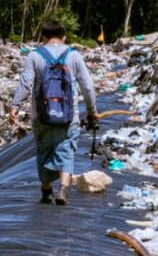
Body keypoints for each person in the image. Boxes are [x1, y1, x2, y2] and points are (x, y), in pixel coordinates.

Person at [10, 20, 97, 205]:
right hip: (68, 116)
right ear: (64, 37)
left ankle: (46, 190)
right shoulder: (74, 56)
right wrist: (91, 110)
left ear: (43, 37)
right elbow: (87, 86)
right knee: (65, 151)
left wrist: (15, 105)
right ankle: (63, 189)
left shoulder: (35, 56)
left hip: (41, 116)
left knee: (43, 151)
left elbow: (25, 83)